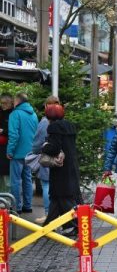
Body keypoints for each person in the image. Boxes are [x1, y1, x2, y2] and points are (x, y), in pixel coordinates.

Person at [41, 105, 81, 235]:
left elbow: (54, 148)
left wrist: (45, 146)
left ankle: (79, 226)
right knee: (57, 198)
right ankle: (48, 226)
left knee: (64, 198)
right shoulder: (69, 126)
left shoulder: (54, 127)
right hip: (71, 165)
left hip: (61, 169)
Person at [30, 95, 62, 224]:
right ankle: (56, 214)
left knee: (46, 185)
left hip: (48, 160)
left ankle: (49, 214)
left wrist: (35, 151)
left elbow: (37, 145)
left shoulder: (44, 123)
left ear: (45, 107)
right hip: (60, 160)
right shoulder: (61, 121)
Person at [7, 92, 38, 214]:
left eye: (14, 100)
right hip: (30, 152)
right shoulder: (34, 114)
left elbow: (14, 135)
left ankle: (16, 207)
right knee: (27, 179)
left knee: (15, 181)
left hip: (18, 153)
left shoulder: (15, 114)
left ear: (18, 101)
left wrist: (10, 151)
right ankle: (28, 206)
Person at [0, 93, 13, 193]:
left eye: (5, 103)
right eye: (2, 103)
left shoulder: (13, 114)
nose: (3, 105)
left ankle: (7, 199)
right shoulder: (2, 112)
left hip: (7, 148)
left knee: (7, 176)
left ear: (11, 103)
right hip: (2, 148)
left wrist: (2, 131)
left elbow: (13, 132)